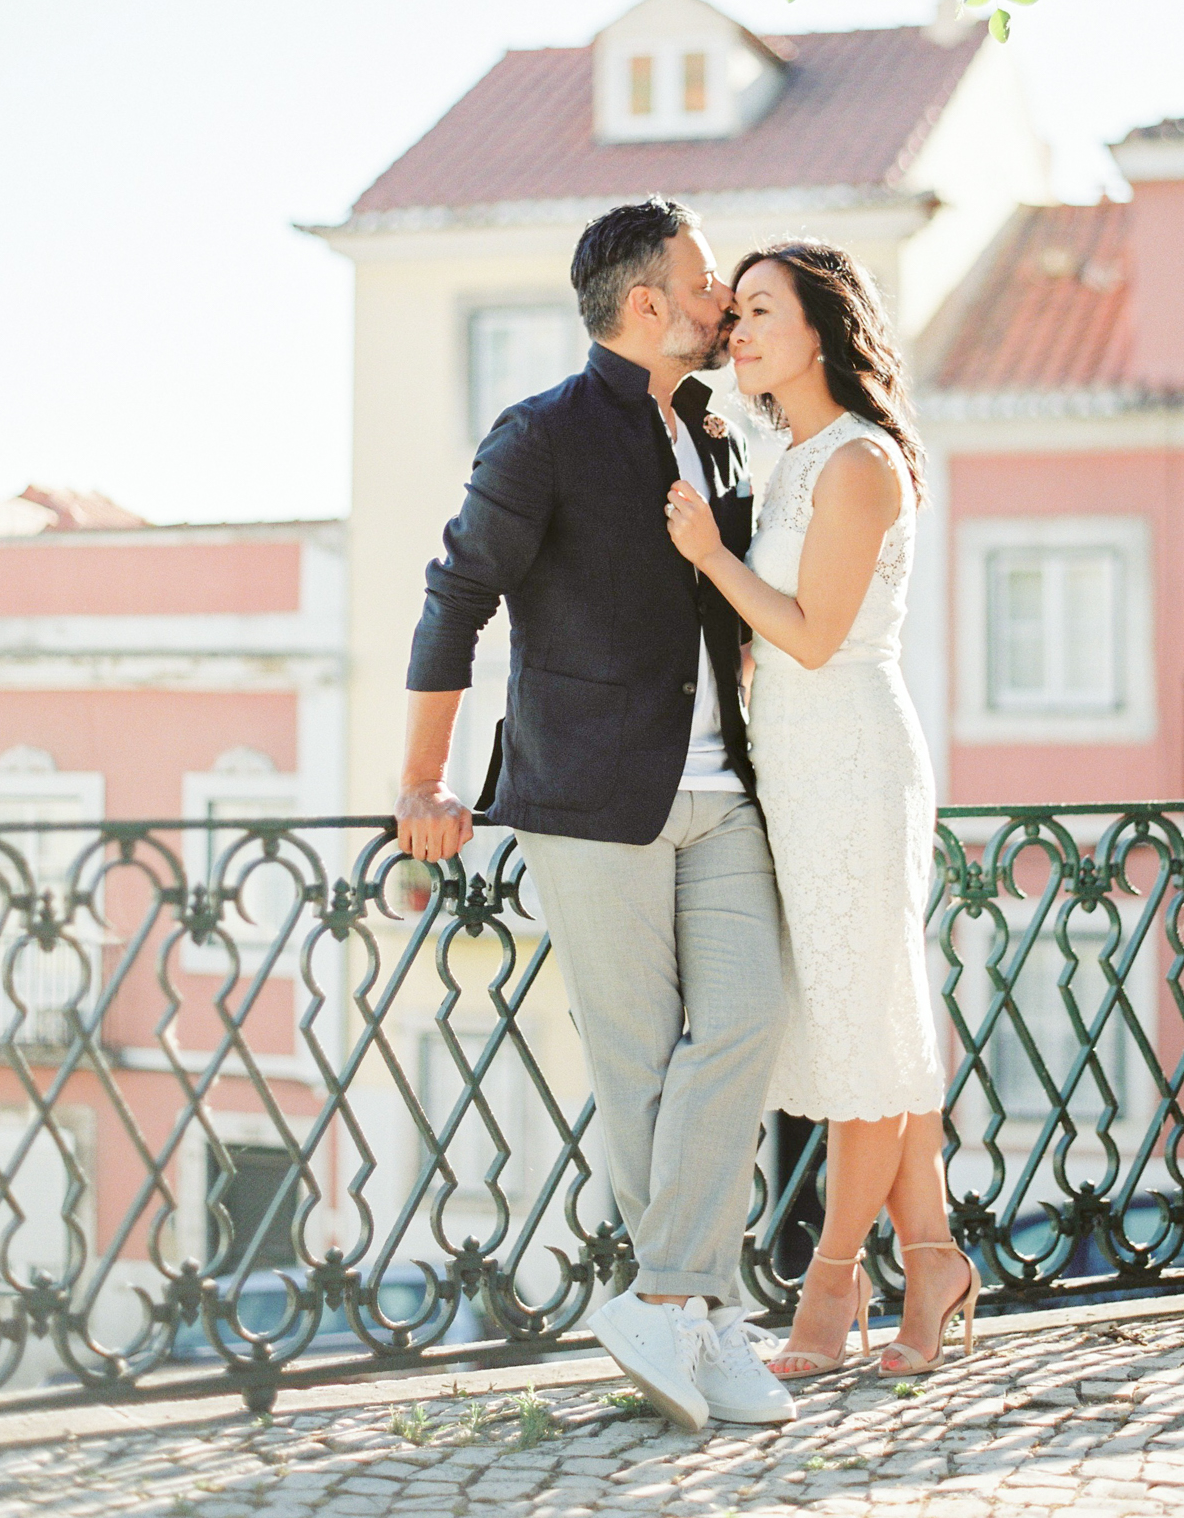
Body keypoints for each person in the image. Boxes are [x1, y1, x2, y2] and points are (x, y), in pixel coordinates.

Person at [394, 197, 792, 1432]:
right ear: (646, 304)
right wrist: (424, 780)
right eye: (708, 280)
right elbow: (453, 601)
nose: (724, 298)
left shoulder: (713, 435)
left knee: (745, 1019)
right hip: (588, 797)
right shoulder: (543, 435)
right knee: (636, 1067)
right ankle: (703, 1317)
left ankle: (666, 1298)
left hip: (724, 794)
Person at [664, 240, 979, 1379]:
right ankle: (934, 1260)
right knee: (868, 1023)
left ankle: (831, 1286)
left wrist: (707, 555)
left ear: (821, 330)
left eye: (757, 311)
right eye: (733, 312)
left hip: (850, 758)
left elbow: (806, 634)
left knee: (861, 1031)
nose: (735, 331)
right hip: (791, 768)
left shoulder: (858, 463)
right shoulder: (788, 453)